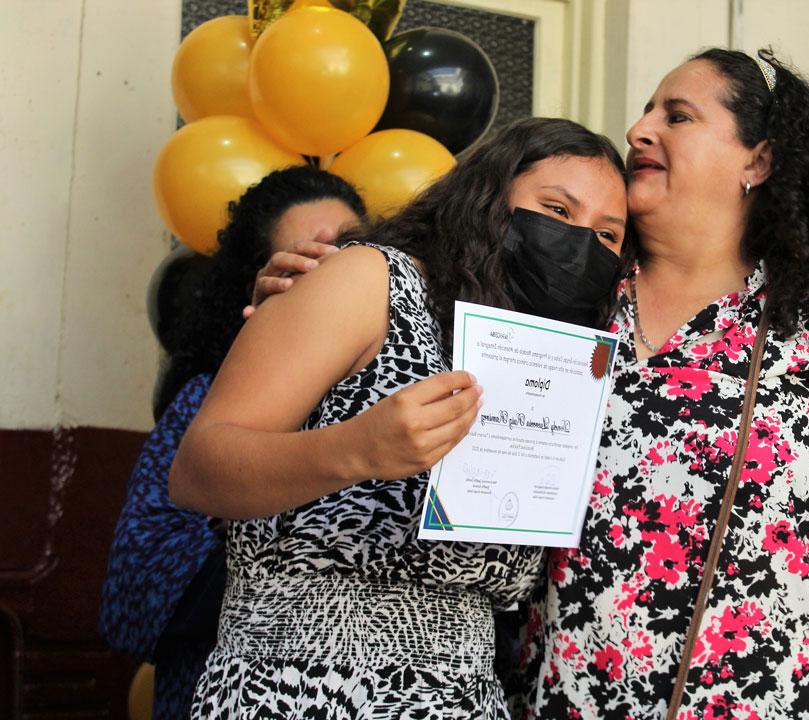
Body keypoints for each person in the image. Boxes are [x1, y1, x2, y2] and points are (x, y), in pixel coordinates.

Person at [254, 49, 809, 720]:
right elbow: (405, 314)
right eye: (645, 112)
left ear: (756, 160)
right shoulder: (566, 293)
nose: (640, 130)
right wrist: (303, 297)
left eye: (678, 116)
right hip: (561, 698)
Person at [168, 117, 628, 718]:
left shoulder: (572, 355)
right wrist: (358, 449)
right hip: (297, 687)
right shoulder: (371, 280)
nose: (580, 242)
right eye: (556, 210)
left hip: (462, 693)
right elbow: (197, 470)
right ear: (488, 197)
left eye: (609, 234)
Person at [98, 166, 365, 720]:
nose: (334, 272)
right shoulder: (206, 402)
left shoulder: (419, 395)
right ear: (262, 278)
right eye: (308, 261)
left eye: (352, 251)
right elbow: (131, 596)